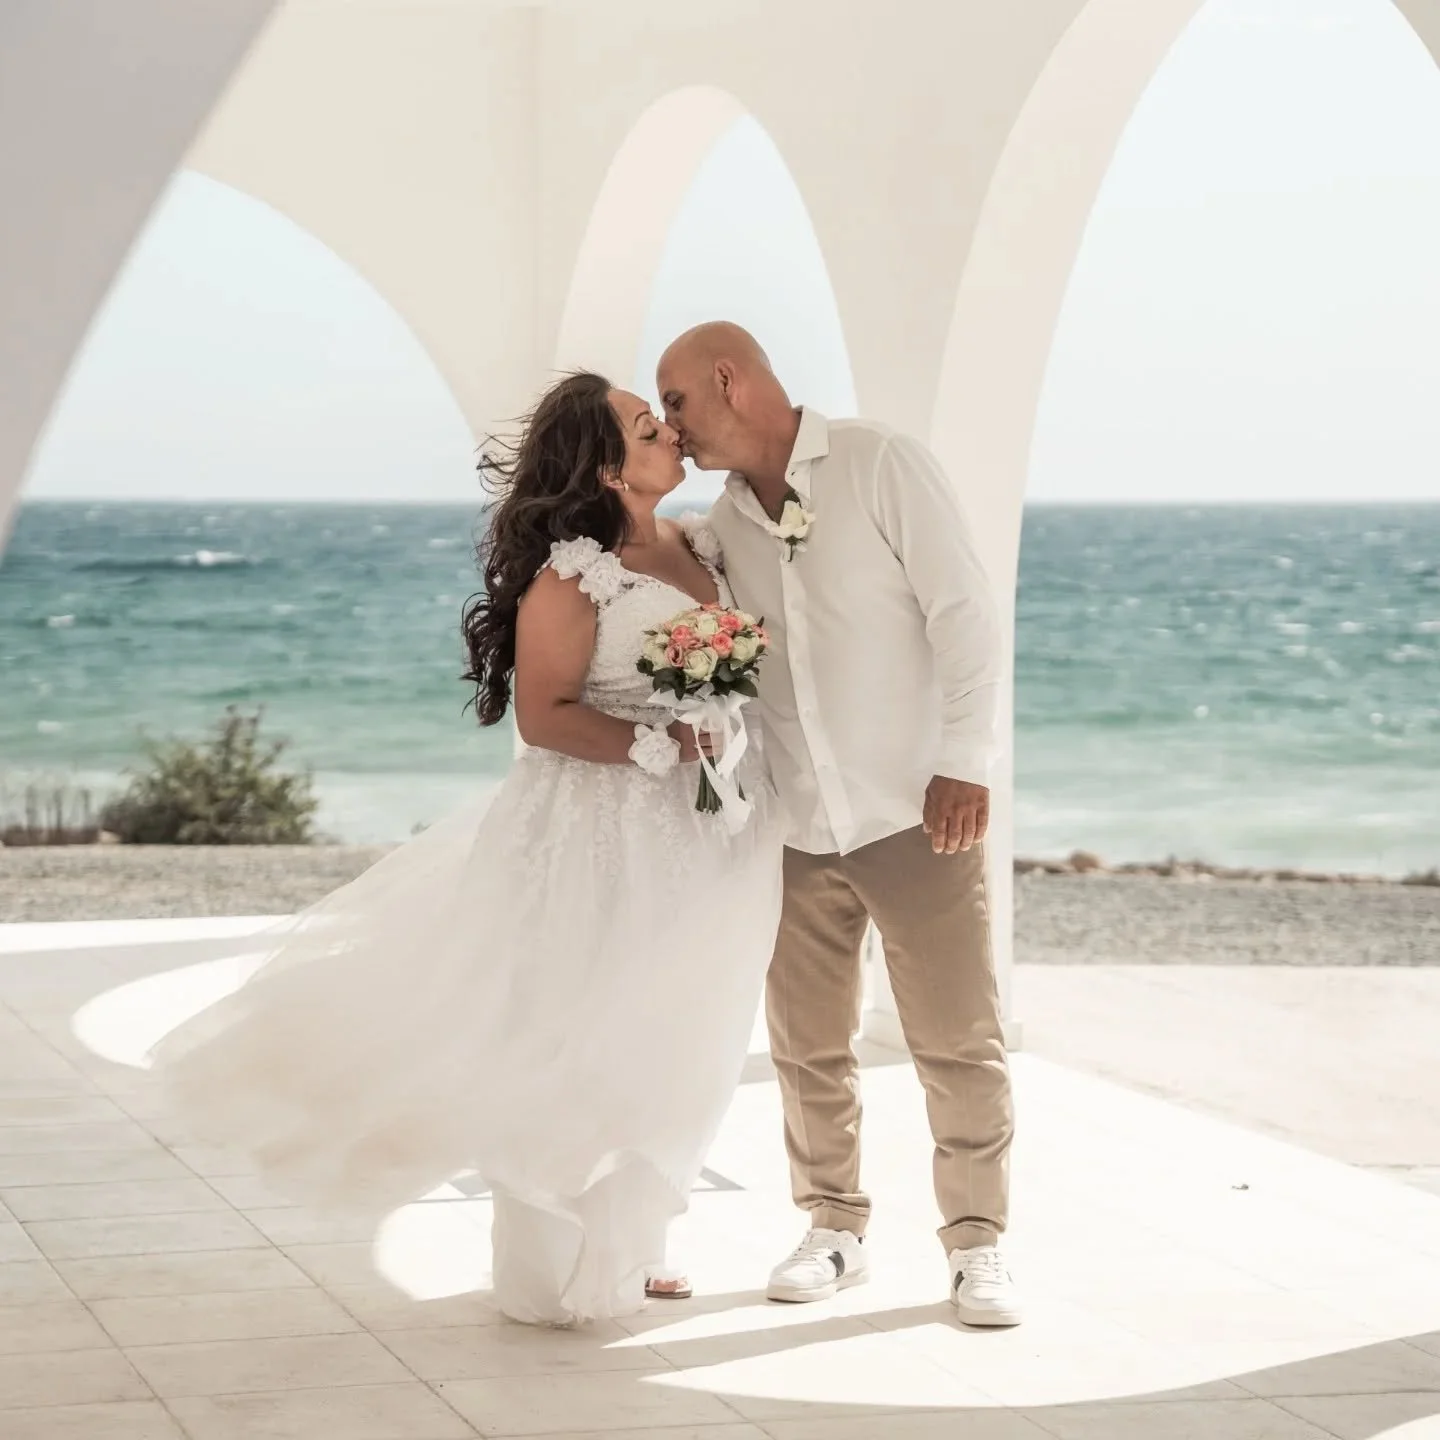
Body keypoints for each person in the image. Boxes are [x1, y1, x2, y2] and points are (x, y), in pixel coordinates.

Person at [148, 371, 785, 1327]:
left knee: (673, 1035)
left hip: (698, 834)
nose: (670, 435)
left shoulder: (699, 545)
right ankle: (551, 1267)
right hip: (594, 833)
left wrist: (717, 733)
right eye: (647, 427)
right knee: (569, 1034)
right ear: (608, 469)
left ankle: (630, 1242)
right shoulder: (573, 575)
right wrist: (664, 742)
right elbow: (545, 715)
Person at [657, 322, 1022, 1327]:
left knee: (958, 1038)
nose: (674, 427)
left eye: (678, 401)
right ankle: (833, 1227)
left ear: (729, 379)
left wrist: (966, 760)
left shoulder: (879, 463)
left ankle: (978, 1243)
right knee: (807, 1046)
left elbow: (964, 612)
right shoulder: (721, 525)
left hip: (917, 810)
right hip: (793, 823)